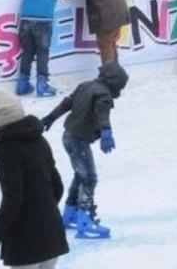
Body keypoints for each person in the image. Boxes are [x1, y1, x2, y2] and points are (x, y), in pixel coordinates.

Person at [0, 90, 69, 268]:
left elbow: (12, 201)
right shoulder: (40, 141)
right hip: (53, 235)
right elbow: (57, 187)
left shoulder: (8, 150)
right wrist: (43, 214)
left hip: (27, 245)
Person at [40, 61, 130, 239]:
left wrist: (50, 118)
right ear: (115, 83)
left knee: (80, 175)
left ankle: (69, 214)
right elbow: (102, 113)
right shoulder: (104, 94)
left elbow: (66, 103)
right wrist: (106, 132)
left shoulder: (85, 85)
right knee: (89, 178)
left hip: (68, 136)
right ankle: (84, 219)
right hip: (78, 141)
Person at [17, 0, 74, 97]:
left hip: (26, 17)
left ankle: (22, 84)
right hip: (43, 18)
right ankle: (42, 85)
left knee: (27, 51)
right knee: (43, 51)